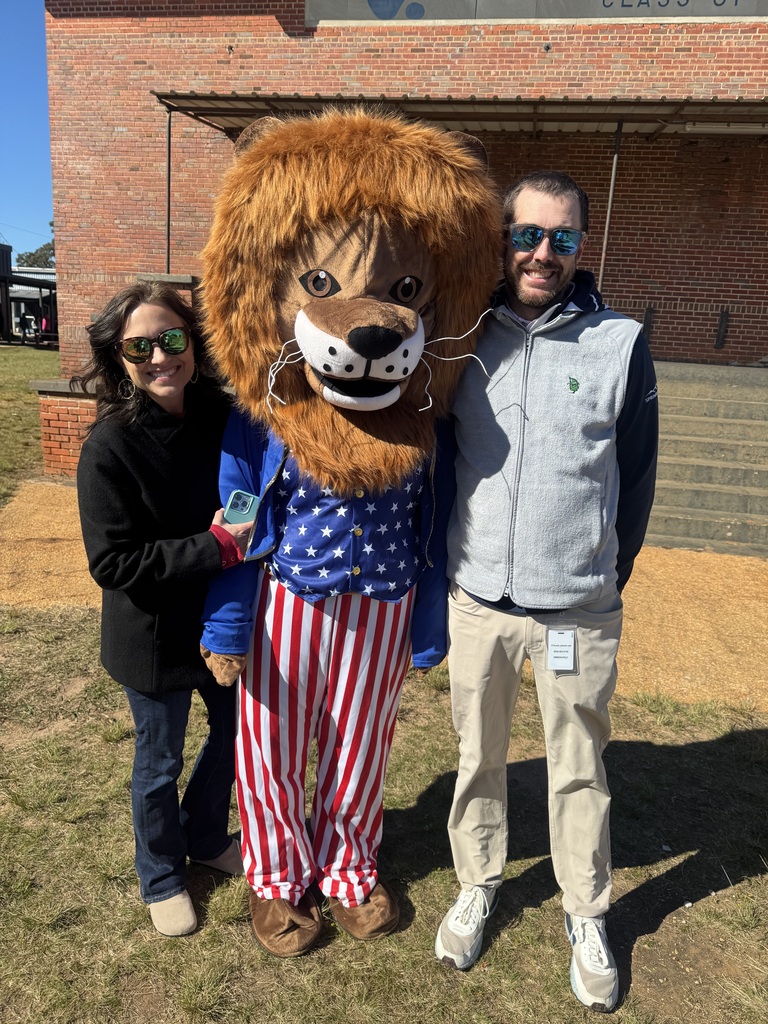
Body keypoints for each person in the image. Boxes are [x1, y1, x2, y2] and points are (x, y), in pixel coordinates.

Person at [434, 171, 658, 1013]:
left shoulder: (621, 342)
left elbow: (635, 480)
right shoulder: (463, 334)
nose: (542, 254)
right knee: (476, 758)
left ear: (581, 248)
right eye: (527, 235)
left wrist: (606, 574)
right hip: (480, 601)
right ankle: (478, 883)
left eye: (562, 239)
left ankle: (587, 911)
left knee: (578, 770)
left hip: (577, 610)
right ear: (503, 238)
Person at [73, 281, 253, 937]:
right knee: (159, 762)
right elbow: (113, 565)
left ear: (193, 342)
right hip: (150, 635)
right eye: (139, 346)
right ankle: (161, 874)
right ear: (118, 358)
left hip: (223, 622)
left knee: (235, 736)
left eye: (171, 339)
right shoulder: (108, 448)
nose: (159, 356)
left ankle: (205, 836)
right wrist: (214, 548)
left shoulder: (225, 417)